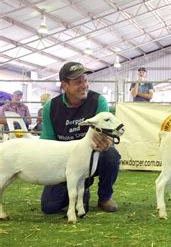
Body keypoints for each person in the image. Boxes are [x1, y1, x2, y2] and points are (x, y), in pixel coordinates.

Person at [40, 62, 121, 214]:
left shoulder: (98, 101)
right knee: (50, 207)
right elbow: (47, 142)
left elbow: (108, 132)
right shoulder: (51, 107)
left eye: (85, 80)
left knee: (111, 155)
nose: (84, 85)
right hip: (64, 159)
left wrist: (107, 142)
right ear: (65, 85)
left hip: (92, 154)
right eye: (78, 82)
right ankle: (82, 184)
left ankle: (105, 197)